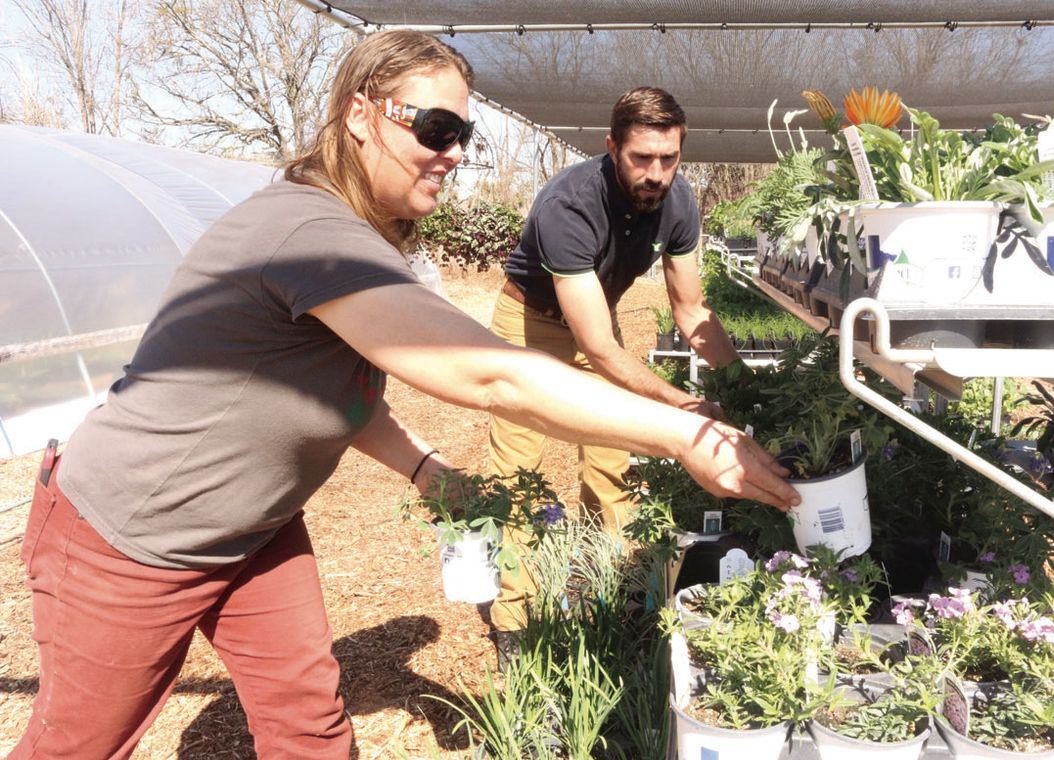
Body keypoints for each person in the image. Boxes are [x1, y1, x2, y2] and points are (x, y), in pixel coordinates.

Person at [11, 30, 798, 759]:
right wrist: (690, 435)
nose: (453, 153)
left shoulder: (359, 240)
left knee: (309, 723)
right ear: (359, 115)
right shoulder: (308, 233)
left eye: (462, 135)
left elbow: (339, 394)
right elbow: (491, 374)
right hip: (130, 533)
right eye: (434, 129)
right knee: (80, 745)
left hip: (253, 529)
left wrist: (427, 472)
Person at [486, 86, 746, 635]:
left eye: (669, 158)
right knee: (518, 470)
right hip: (530, 325)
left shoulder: (678, 202)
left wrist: (741, 383)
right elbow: (599, 349)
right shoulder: (571, 204)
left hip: (597, 318)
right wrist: (683, 405)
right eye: (641, 158)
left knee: (612, 464)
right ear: (611, 148)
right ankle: (514, 617)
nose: (656, 172)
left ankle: (616, 590)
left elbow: (691, 308)